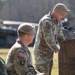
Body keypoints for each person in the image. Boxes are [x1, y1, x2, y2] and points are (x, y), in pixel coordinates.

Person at [34, 3, 70, 75]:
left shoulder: (58, 22)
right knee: (42, 73)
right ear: (56, 12)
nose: (63, 17)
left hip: (49, 54)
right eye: (61, 14)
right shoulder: (47, 21)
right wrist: (59, 51)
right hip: (41, 55)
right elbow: (49, 40)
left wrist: (65, 48)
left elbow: (60, 37)